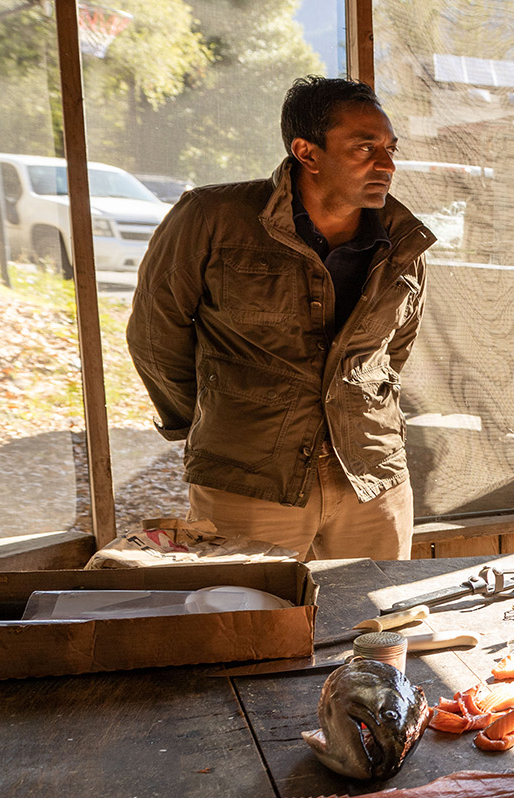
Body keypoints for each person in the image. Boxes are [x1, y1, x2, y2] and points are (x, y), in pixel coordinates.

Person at [129, 76, 434, 560]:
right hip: (248, 477)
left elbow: (393, 353)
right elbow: (154, 334)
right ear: (306, 152)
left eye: (390, 149)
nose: (387, 164)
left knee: (375, 621)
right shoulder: (212, 216)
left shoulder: (404, 241)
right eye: (365, 148)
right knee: (245, 617)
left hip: (372, 477)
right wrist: (213, 419)